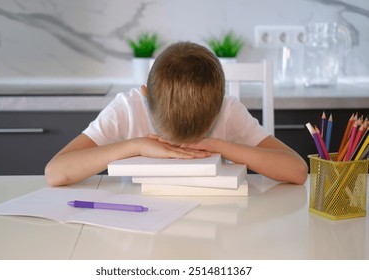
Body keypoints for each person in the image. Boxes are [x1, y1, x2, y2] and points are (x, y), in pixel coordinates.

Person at [45, 41, 308, 186]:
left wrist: (216, 145)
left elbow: (297, 171)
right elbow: (55, 172)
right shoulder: (127, 107)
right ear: (145, 96)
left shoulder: (229, 109)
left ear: (218, 104)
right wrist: (137, 146)